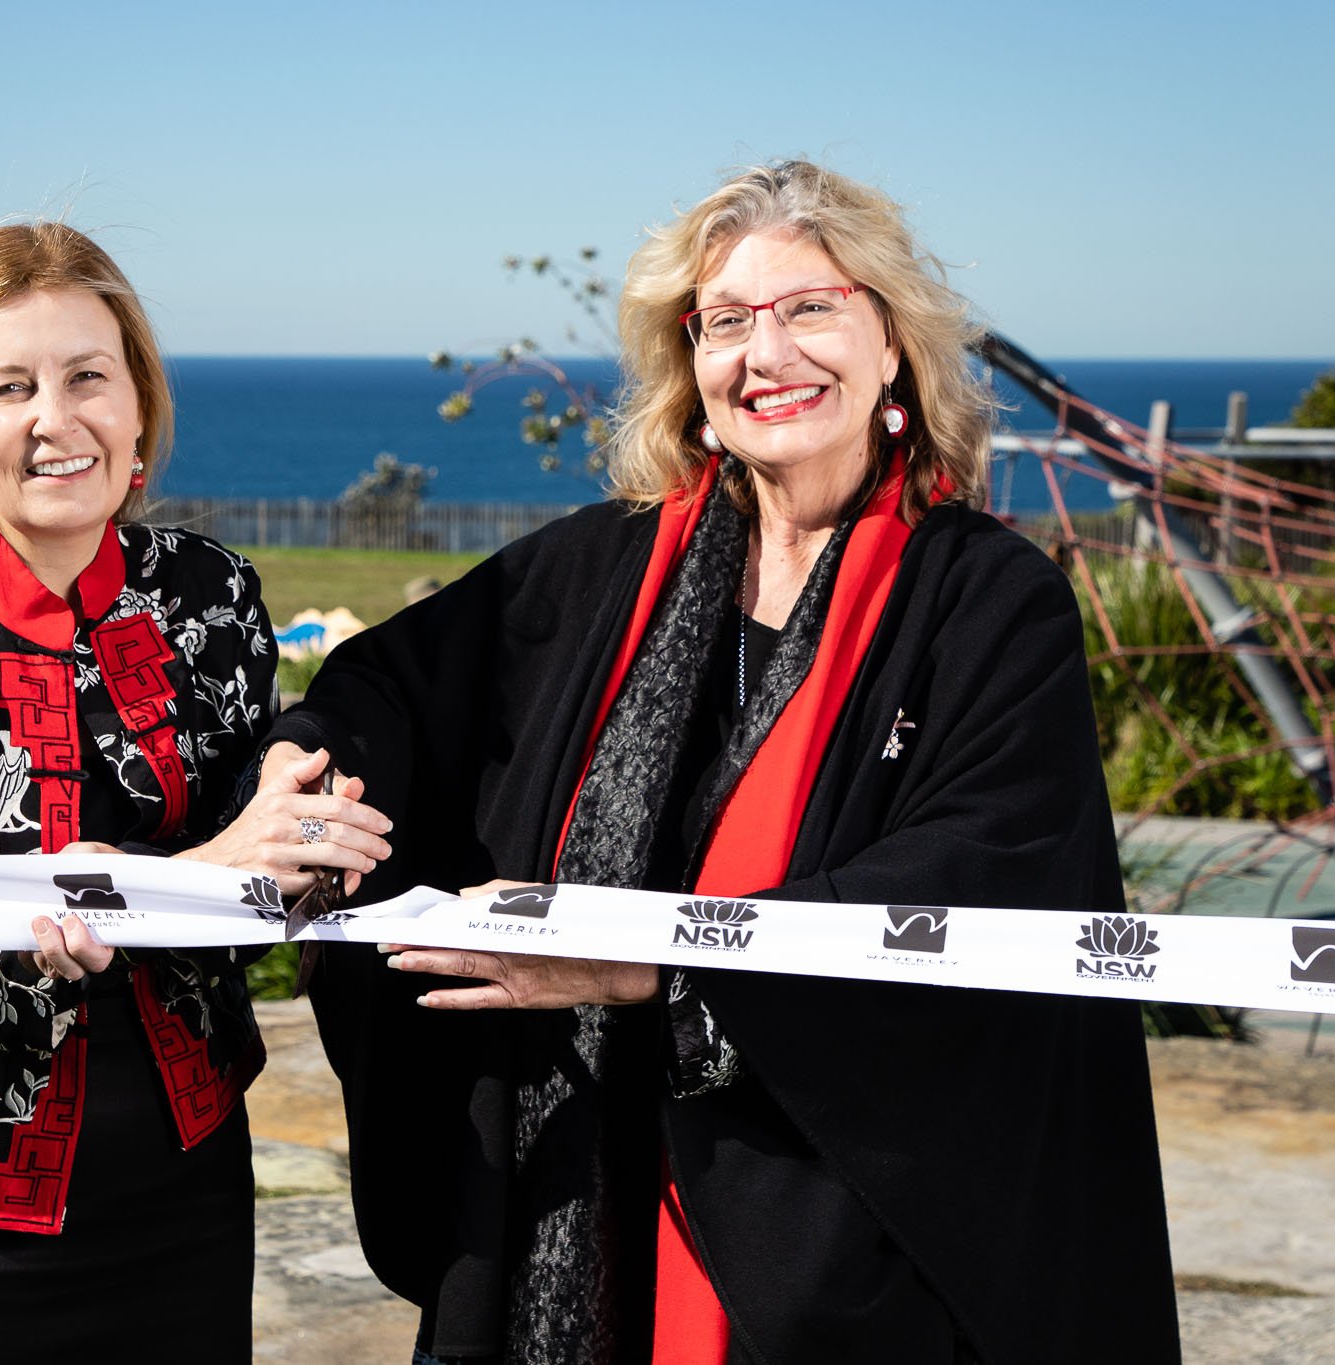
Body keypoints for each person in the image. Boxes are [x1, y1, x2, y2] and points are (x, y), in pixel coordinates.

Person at [264, 162, 1179, 1363]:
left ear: (891, 343)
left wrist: (653, 962)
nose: (766, 351)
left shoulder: (989, 603)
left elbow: (981, 874)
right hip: (566, 1192)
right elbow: (390, 687)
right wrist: (305, 771)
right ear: (687, 363)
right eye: (725, 321)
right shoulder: (600, 567)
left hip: (824, 1243)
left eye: (809, 308)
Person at [0, 221, 390, 1362]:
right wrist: (193, 872)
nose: (52, 418)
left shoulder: (214, 598)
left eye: (87, 376)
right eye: (10, 385)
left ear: (136, 403)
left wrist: (306, 812)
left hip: (190, 1197)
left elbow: (258, 866)